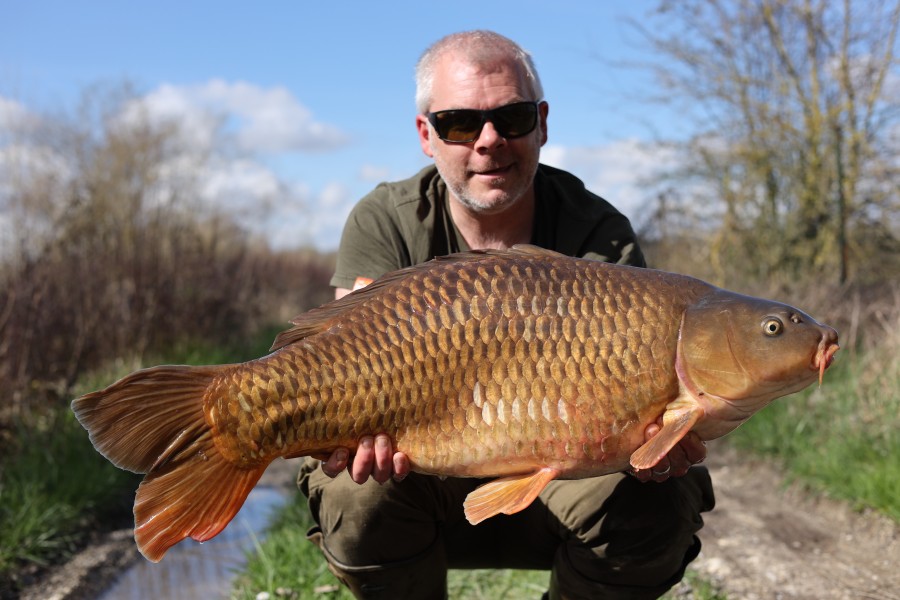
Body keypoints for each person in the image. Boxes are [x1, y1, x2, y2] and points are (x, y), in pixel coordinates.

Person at [298, 30, 715, 599]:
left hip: (564, 484)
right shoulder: (385, 220)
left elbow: (643, 408)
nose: (489, 141)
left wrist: (655, 446)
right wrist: (351, 437)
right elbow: (336, 362)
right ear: (427, 134)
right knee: (356, 492)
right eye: (460, 124)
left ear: (542, 123)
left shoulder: (596, 229)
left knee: (662, 496)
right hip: (420, 482)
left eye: (512, 118)